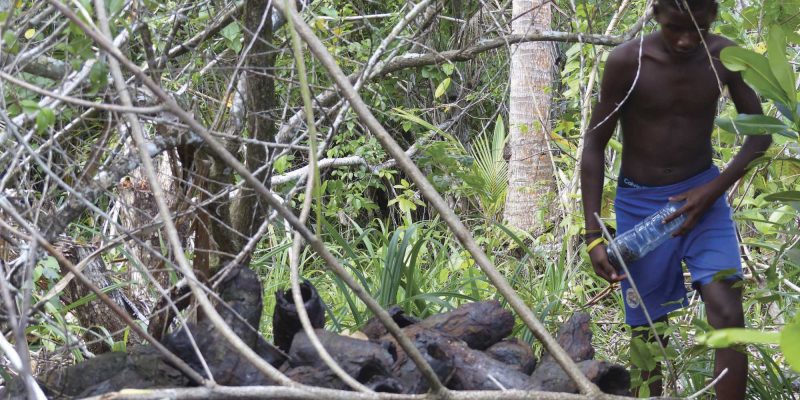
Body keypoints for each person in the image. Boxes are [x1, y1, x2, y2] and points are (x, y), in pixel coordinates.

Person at [579, 0, 772, 398]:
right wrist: (593, 234)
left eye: (697, 28)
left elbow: (760, 135)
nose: (685, 40)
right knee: (649, 330)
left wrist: (711, 191)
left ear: (713, 17)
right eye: (674, 28)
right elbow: (595, 145)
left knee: (728, 316)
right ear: (655, 15)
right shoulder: (627, 61)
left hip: (705, 199)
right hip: (640, 206)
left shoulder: (724, 57)